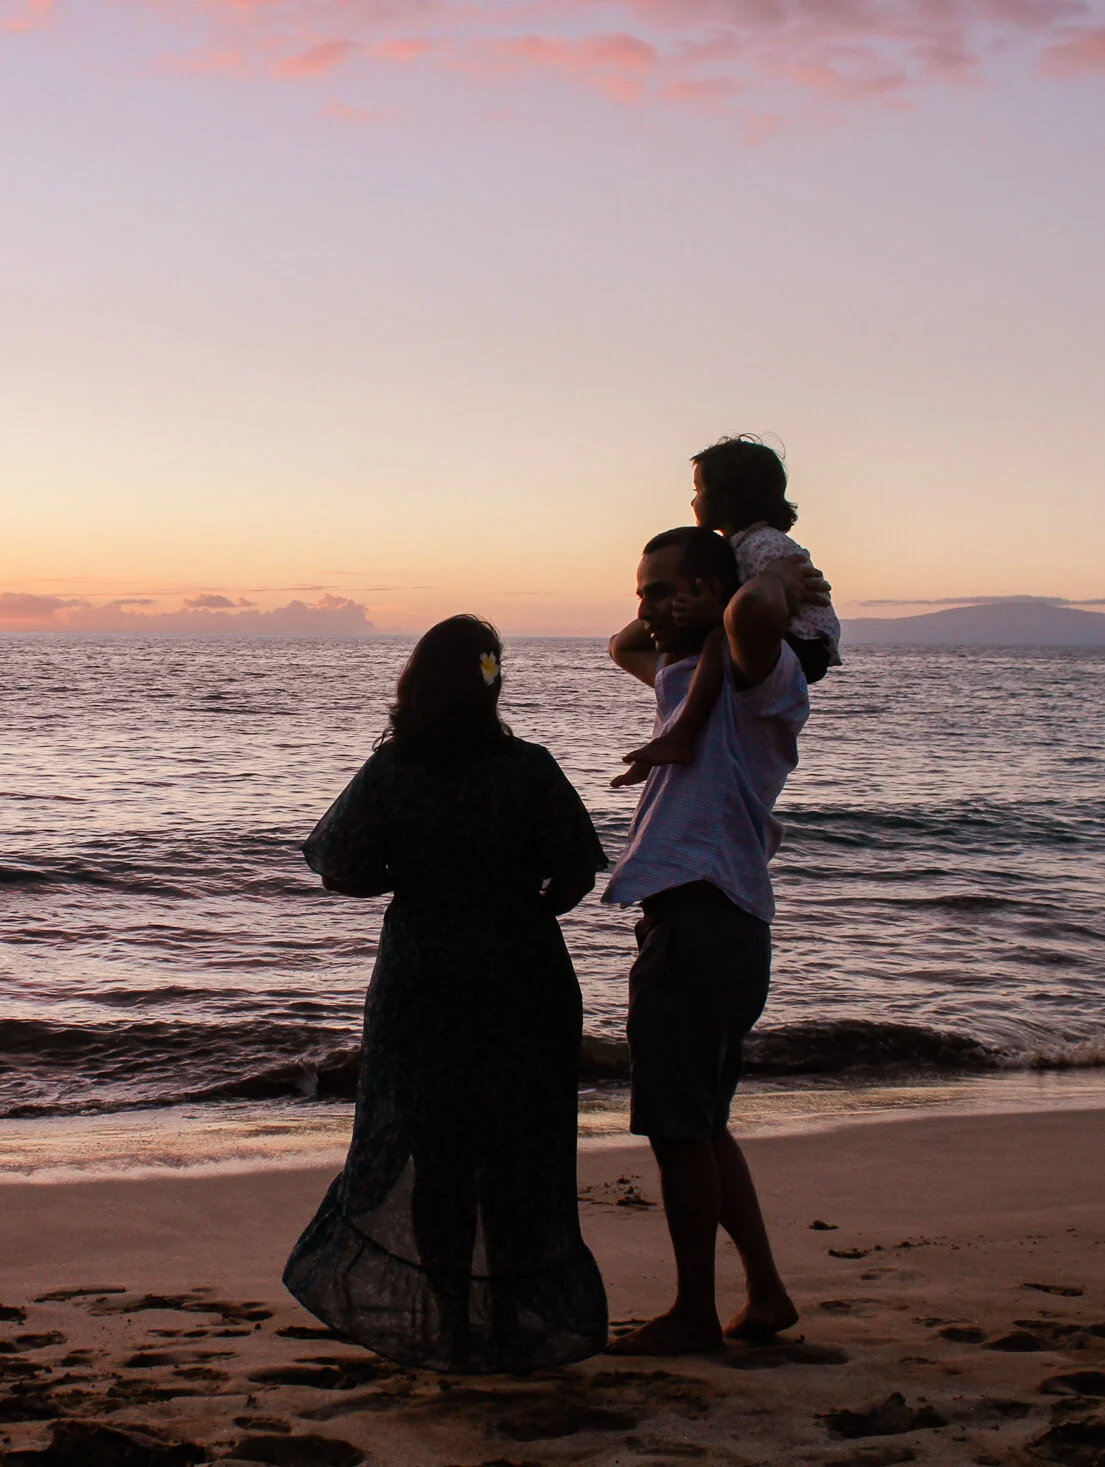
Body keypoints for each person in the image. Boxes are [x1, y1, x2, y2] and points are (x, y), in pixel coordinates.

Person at [284, 615, 611, 1373]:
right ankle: (508, 1320)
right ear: (493, 682)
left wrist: (416, 883)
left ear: (416, 684)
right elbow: (576, 876)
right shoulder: (531, 768)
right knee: (515, 1154)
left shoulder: (397, 771)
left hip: (425, 973)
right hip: (523, 973)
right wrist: (515, 904)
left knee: (438, 1157)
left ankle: (451, 1320)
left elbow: (339, 868)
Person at [601, 527, 812, 1355]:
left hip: (705, 915)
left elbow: (756, 611)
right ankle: (765, 1291)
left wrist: (768, 572)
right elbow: (622, 643)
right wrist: (677, 606)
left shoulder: (760, 679)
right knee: (704, 1123)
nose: (647, 607)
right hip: (705, 919)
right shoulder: (689, 676)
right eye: (645, 588)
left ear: (713, 590)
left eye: (663, 588)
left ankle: (695, 1310)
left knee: (679, 1129)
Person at [618, 437, 838, 781]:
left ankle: (682, 733)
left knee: (717, 639)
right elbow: (622, 645)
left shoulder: (763, 545)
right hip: (786, 639)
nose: (693, 500)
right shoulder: (740, 545)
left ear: (727, 496)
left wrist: (712, 614)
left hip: (802, 643)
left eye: (699, 490)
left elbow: (750, 609)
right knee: (716, 639)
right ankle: (676, 733)